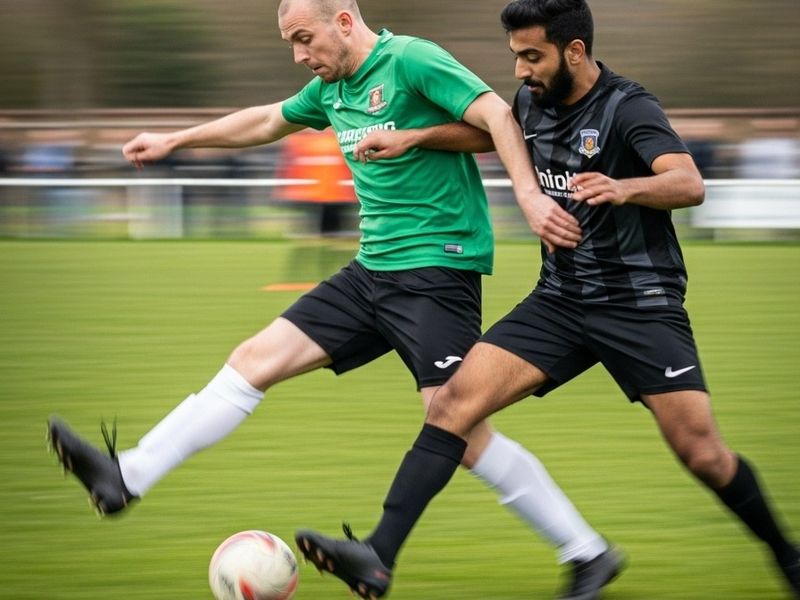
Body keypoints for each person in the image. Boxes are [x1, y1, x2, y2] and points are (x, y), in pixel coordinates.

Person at [46, 1, 623, 599]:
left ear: (343, 22)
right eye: (290, 44)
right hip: (371, 271)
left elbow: (498, 118)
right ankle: (127, 476)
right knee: (252, 361)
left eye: (304, 38)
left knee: (461, 430)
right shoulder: (329, 89)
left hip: (436, 272)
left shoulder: (411, 59)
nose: (300, 56)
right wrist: (176, 140)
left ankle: (587, 552)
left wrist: (525, 198)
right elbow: (265, 121)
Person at [295, 1, 800, 598]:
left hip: (638, 303)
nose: (520, 71)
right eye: (516, 56)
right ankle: (377, 556)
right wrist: (414, 136)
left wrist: (625, 185)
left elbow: (688, 183)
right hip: (558, 301)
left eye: (532, 56)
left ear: (575, 51)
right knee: (451, 406)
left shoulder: (627, 106)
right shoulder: (532, 103)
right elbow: (483, 132)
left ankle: (787, 557)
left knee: (703, 454)